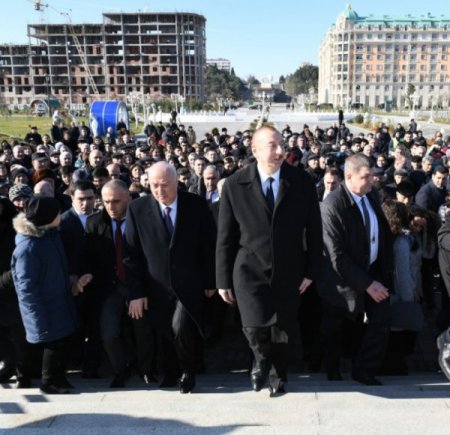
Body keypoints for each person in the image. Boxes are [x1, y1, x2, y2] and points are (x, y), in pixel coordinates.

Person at [216, 126, 323, 396]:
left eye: (282, 145)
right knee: (253, 325)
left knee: (282, 329)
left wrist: (311, 270)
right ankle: (261, 359)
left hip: (289, 268)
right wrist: (222, 279)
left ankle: (278, 377)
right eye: (272, 146)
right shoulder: (234, 185)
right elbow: (225, 237)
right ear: (255, 150)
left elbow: (314, 229)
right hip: (248, 268)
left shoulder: (302, 182)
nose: (279, 151)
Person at [125, 161, 216, 394]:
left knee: (181, 327)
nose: (159, 190)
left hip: (189, 283)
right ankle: (171, 371)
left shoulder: (196, 205)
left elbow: (209, 246)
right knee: (166, 330)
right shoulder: (137, 209)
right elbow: (132, 256)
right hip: (156, 285)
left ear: (177, 182)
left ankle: (188, 371)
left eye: (164, 185)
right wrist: (136, 292)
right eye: (154, 185)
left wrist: (210, 281)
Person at [318, 153, 393, 385]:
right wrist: (368, 284)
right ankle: (332, 373)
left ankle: (364, 370)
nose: (372, 181)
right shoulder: (332, 206)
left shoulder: (369, 195)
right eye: (366, 177)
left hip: (373, 272)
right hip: (340, 282)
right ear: (349, 176)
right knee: (335, 328)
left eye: (372, 176)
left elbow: (379, 231)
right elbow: (336, 256)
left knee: (380, 321)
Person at [11, 196, 78, 394]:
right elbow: (26, 286)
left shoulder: (50, 235)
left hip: (58, 300)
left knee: (62, 341)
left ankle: (59, 377)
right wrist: (35, 316)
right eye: (57, 214)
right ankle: (48, 382)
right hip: (44, 306)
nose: (61, 217)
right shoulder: (28, 247)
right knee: (53, 344)